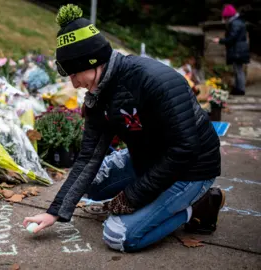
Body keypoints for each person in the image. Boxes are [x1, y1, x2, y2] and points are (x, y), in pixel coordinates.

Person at [23, 4, 225, 252]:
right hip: (150, 158)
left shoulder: (155, 80)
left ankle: (200, 205)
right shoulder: (98, 93)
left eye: (75, 74)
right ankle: (154, 203)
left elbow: (186, 148)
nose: (74, 84)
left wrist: (133, 196)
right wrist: (54, 212)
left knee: (118, 236)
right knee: (91, 183)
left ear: (93, 62)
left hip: (191, 169)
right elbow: (88, 158)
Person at [212, 4, 250, 95]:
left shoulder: (235, 23)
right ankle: (238, 88)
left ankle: (240, 89)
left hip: (238, 51)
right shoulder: (238, 22)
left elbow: (232, 37)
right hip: (239, 50)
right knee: (237, 69)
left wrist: (220, 40)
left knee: (238, 70)